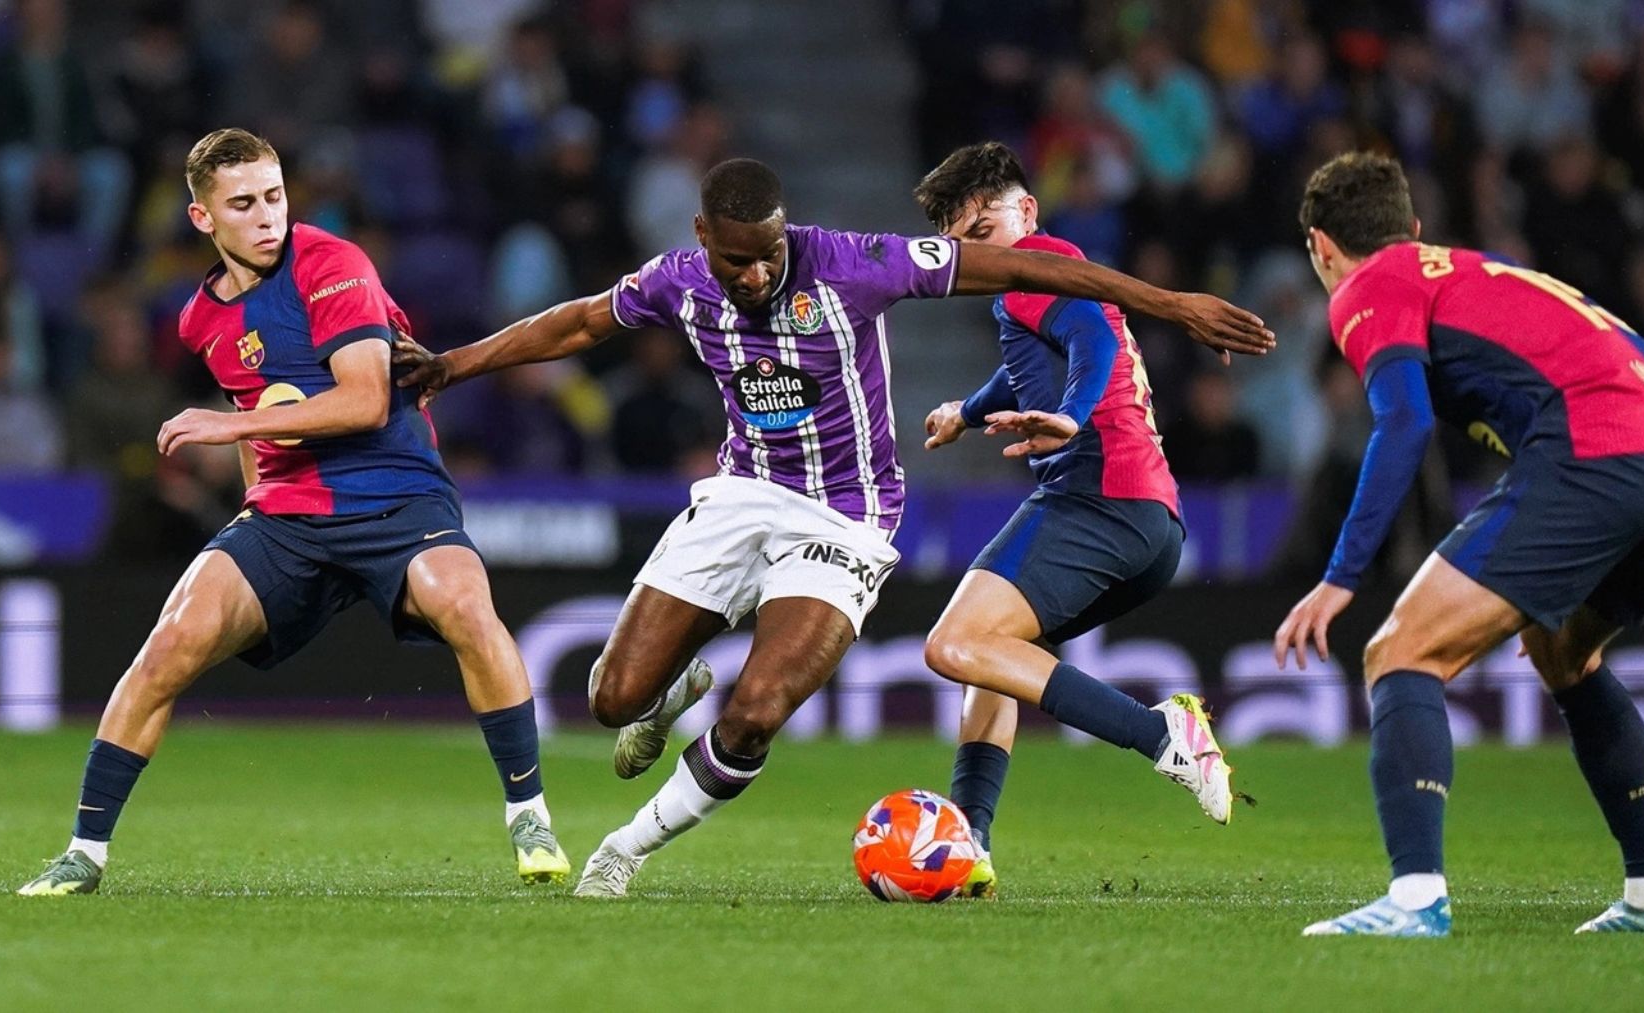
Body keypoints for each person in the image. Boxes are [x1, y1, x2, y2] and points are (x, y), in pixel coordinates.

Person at [394, 157, 1273, 898]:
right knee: (609, 699)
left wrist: (1170, 304)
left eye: (770, 254)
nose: (757, 275)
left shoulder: (856, 263)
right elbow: (582, 320)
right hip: (740, 497)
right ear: (705, 239)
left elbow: (1040, 275)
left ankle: (624, 849)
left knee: (759, 711)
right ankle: (676, 693)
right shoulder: (677, 281)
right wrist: (456, 363)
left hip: (846, 517)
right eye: (739, 260)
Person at [17, 128, 569, 897]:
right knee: (170, 644)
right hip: (286, 511)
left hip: (397, 490)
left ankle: (529, 815)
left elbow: (366, 399)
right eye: (242, 203)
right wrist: (253, 491)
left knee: (466, 604)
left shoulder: (333, 263)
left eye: (274, 196)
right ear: (203, 218)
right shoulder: (198, 321)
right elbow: (263, 407)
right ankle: (84, 850)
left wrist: (225, 425)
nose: (267, 216)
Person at [1276, 152, 1644, 937]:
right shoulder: (1468, 269)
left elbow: (1404, 420)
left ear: (1321, 246)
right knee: (1565, 653)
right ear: (1412, 228)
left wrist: (1342, 573)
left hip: (1601, 444)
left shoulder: (1368, 284)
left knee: (1401, 651)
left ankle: (1415, 899)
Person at [912, 142, 1236, 900]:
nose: (974, 254)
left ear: (1025, 211)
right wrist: (969, 409)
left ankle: (1162, 735)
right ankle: (972, 838)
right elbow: (1043, 353)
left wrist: (1066, 413)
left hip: (1099, 496)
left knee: (953, 643)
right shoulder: (1032, 283)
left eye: (983, 232)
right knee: (988, 652)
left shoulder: (1046, 261)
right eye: (961, 244)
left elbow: (1089, 340)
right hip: (1148, 521)